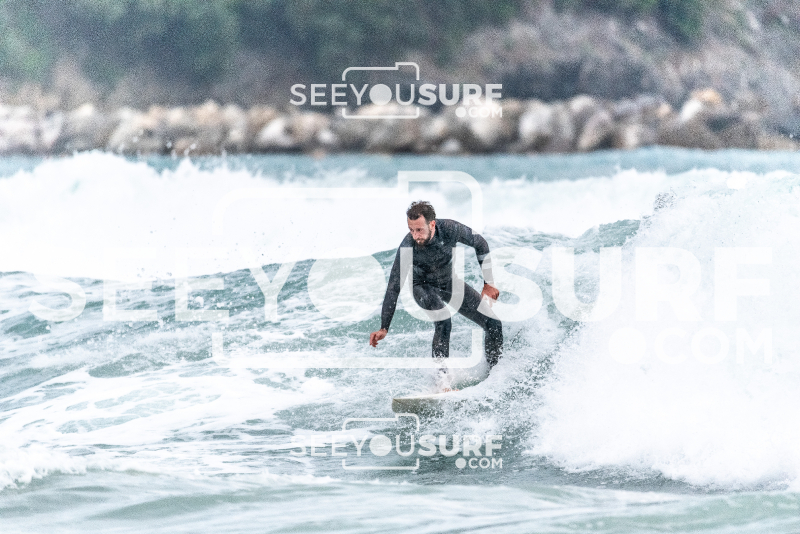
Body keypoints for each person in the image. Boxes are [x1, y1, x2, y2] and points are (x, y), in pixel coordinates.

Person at [369, 201, 503, 376]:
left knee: (493, 323)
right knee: (443, 320)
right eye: (411, 230)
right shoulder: (407, 246)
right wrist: (384, 327)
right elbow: (394, 287)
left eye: (419, 230)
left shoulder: (450, 229)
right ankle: (442, 381)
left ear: (432, 224)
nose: (415, 235)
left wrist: (488, 283)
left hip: (449, 282)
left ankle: (494, 373)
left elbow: (480, 243)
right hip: (422, 287)